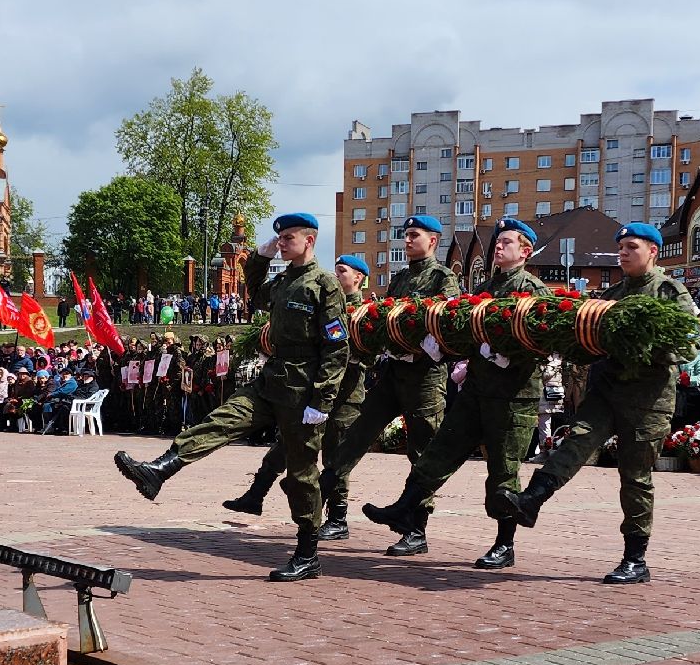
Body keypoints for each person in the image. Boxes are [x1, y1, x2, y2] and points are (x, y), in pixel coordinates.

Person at [115, 214, 347, 582]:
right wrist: (259, 256)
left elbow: (337, 349)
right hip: (271, 380)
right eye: (280, 238)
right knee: (222, 420)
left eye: (288, 238)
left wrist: (322, 401)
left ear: (310, 241)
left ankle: (307, 553)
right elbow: (254, 296)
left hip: (303, 389)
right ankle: (161, 469)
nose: (282, 243)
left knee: (302, 474)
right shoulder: (284, 280)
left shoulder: (325, 286)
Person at [496, 222, 691, 582]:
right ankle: (532, 500)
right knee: (574, 443)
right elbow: (588, 342)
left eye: (632, 246)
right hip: (605, 393)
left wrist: (642, 343)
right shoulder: (611, 294)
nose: (623, 252)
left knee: (635, 478)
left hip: (647, 401)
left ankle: (636, 558)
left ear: (653, 251)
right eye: (621, 247)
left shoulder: (670, 292)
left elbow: (687, 346)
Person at [362, 218, 548, 570]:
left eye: (506, 242)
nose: (498, 247)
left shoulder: (533, 289)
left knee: (503, 473)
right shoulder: (484, 288)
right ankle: (405, 510)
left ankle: (504, 545)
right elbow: (462, 328)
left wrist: (506, 352)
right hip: (477, 390)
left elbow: (542, 340)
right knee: (438, 453)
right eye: (497, 242)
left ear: (524, 251)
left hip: (513, 397)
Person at [305, 214, 460, 556]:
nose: (406, 241)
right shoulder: (401, 278)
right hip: (394, 373)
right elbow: (385, 321)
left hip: (425, 377)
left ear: (432, 241)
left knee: (421, 451)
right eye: (405, 235)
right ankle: (322, 491)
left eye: (413, 235)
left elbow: (449, 325)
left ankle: (415, 528)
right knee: (359, 432)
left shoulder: (443, 278)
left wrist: (422, 350)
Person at [228, 253, 369, 539]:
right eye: (336, 269)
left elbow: (365, 351)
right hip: (313, 391)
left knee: (334, 455)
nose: (336, 275)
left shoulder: (366, 312)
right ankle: (256, 493)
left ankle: (338, 517)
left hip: (344, 395)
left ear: (358, 278)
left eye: (342, 271)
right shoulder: (322, 304)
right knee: (286, 444)